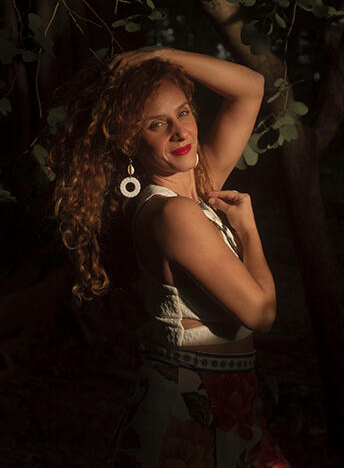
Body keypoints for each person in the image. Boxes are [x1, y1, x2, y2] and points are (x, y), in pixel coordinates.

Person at [49, 47, 290, 467]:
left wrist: (160, 55)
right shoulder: (172, 213)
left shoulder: (197, 185)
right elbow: (261, 313)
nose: (180, 133)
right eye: (157, 124)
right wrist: (249, 231)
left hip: (229, 402)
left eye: (183, 112)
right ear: (128, 140)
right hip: (186, 410)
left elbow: (251, 88)